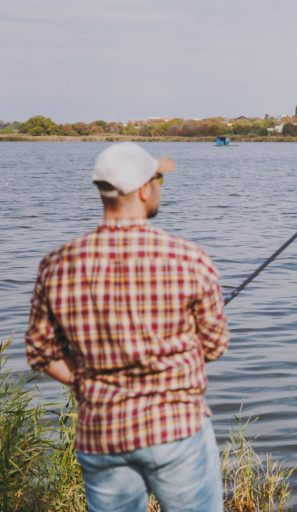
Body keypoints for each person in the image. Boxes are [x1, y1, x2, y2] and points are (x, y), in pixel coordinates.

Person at [25, 142, 230, 512]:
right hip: (176, 428)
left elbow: (41, 354)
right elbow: (214, 346)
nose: (160, 187)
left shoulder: (56, 264)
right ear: (144, 189)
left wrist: (85, 379)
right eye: (160, 178)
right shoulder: (188, 258)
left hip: (102, 431)